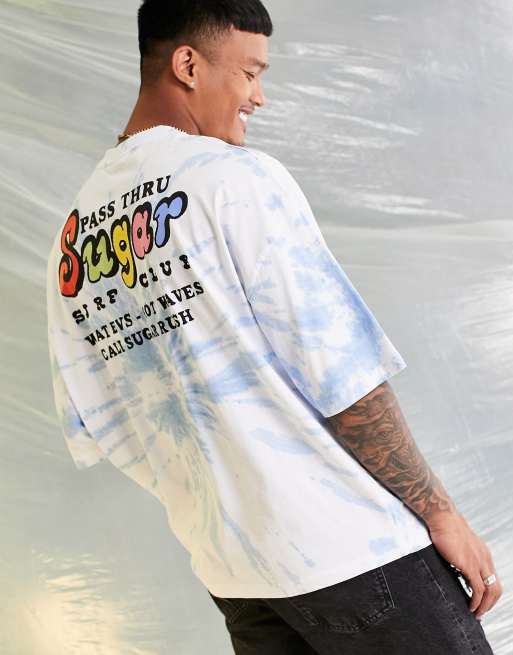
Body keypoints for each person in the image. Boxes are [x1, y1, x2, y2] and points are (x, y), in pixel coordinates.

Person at [45, 0, 502, 653]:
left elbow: (105, 425)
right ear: (188, 65)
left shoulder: (72, 237)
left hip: (238, 576)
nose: (258, 96)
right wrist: (440, 512)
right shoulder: (234, 180)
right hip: (353, 552)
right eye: (250, 72)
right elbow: (341, 373)